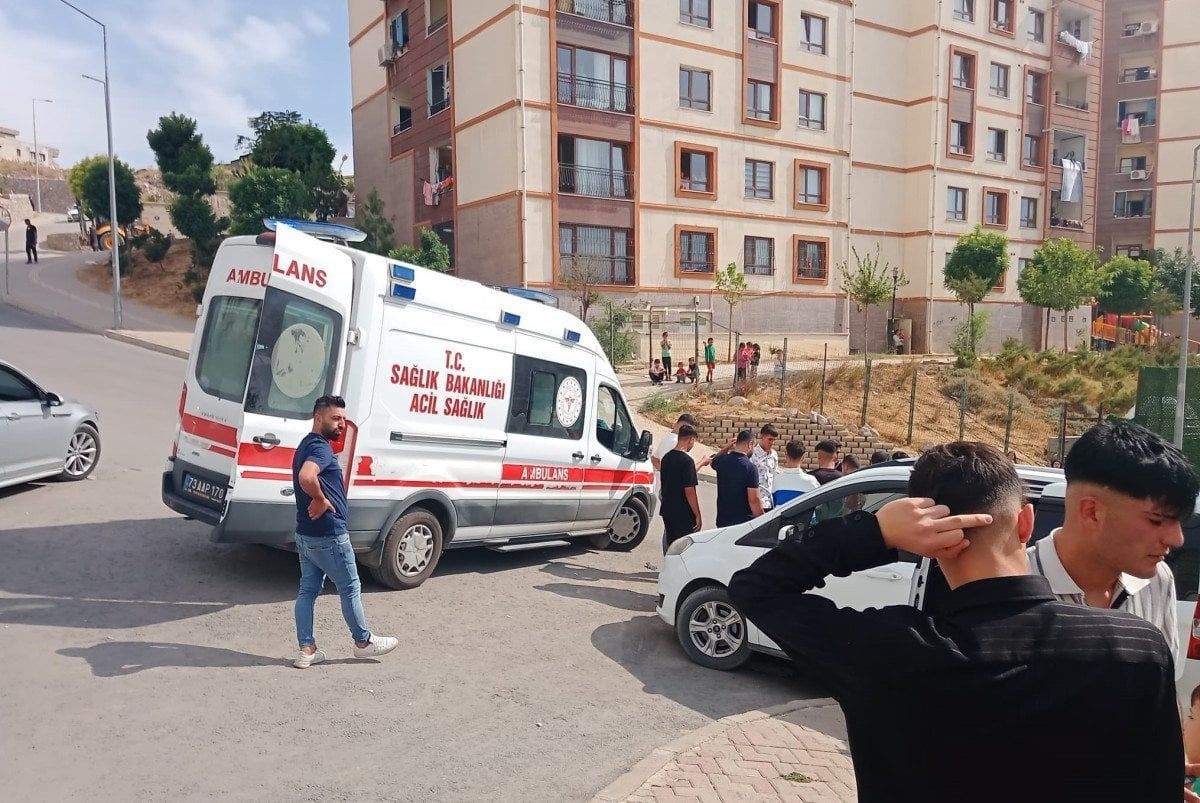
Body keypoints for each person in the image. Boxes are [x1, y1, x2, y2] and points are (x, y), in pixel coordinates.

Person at [729, 442, 1185, 801]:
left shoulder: (887, 653)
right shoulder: (1134, 649)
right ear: (1026, 523)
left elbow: (755, 587)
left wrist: (875, 532)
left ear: (927, 540)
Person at [1028, 420, 1198, 672]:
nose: (1177, 539)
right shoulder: (1011, 583)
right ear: (1092, 511)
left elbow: (1159, 686)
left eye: (1179, 522)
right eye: (1156, 520)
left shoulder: (1158, 580)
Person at [292, 395, 397, 669]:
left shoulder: (306, 444)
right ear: (319, 418)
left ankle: (307, 650)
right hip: (329, 535)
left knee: (307, 591)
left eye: (343, 419)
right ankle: (363, 642)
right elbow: (306, 476)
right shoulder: (320, 448)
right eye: (335, 418)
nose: (341, 424)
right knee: (350, 587)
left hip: (306, 534)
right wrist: (320, 499)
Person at [701, 429, 764, 527]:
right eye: (753, 446)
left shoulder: (722, 460)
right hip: (743, 524)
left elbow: (713, 460)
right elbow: (754, 500)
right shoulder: (750, 468)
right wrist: (762, 521)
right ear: (750, 444)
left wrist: (727, 446)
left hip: (723, 521)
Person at [659, 423, 702, 553]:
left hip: (667, 509)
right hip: (683, 513)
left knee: (671, 545)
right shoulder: (687, 461)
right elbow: (690, 491)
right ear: (691, 440)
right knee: (683, 549)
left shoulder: (666, 457)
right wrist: (697, 515)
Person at [773, 440, 819, 507]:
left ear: (786, 456)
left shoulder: (776, 479)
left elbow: (772, 503)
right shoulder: (811, 481)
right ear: (803, 458)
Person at [750, 424, 780, 512]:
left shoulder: (774, 455)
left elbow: (775, 475)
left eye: (774, 440)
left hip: (771, 502)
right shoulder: (752, 454)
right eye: (770, 439)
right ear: (762, 437)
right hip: (757, 502)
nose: (772, 443)